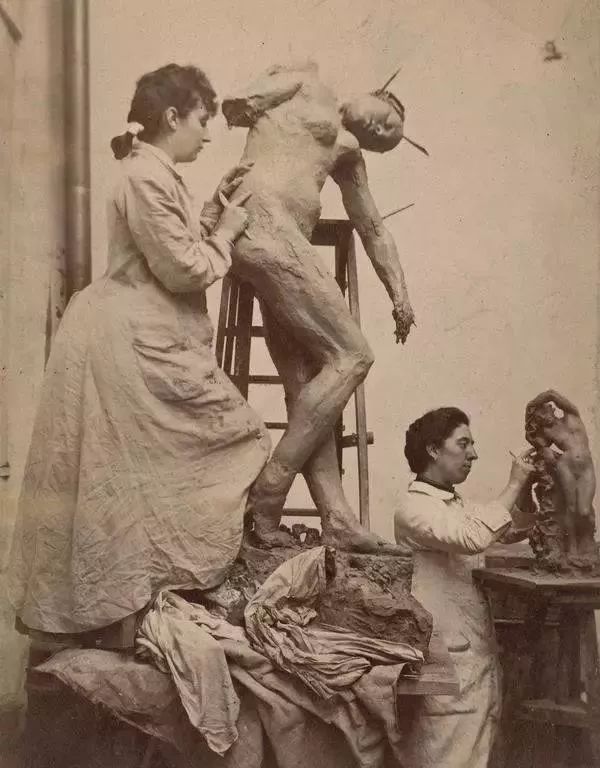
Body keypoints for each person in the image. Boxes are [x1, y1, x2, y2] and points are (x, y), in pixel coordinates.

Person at [8, 64, 271, 638]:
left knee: (141, 479)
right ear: (172, 117)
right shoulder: (143, 176)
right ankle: (129, 610)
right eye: (202, 120)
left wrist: (212, 209)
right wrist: (227, 232)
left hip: (143, 335)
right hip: (130, 343)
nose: (208, 134)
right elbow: (181, 269)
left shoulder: (153, 173)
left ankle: (148, 599)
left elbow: (170, 241)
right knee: (231, 441)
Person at [221, 61, 426, 552]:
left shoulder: (348, 153)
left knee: (308, 385)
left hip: (279, 239)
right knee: (354, 355)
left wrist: (400, 293)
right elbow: (236, 105)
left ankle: (337, 518)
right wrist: (263, 94)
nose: (380, 131)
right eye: (387, 121)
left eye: (385, 140)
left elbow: (373, 228)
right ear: (379, 93)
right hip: (262, 221)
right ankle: (267, 495)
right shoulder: (307, 81)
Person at [394, 407, 535, 768]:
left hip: (475, 662)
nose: (473, 454)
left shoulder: (457, 505)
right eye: (464, 444)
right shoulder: (414, 508)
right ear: (433, 450)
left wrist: (524, 491)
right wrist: (514, 483)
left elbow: (510, 528)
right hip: (445, 666)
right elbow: (474, 537)